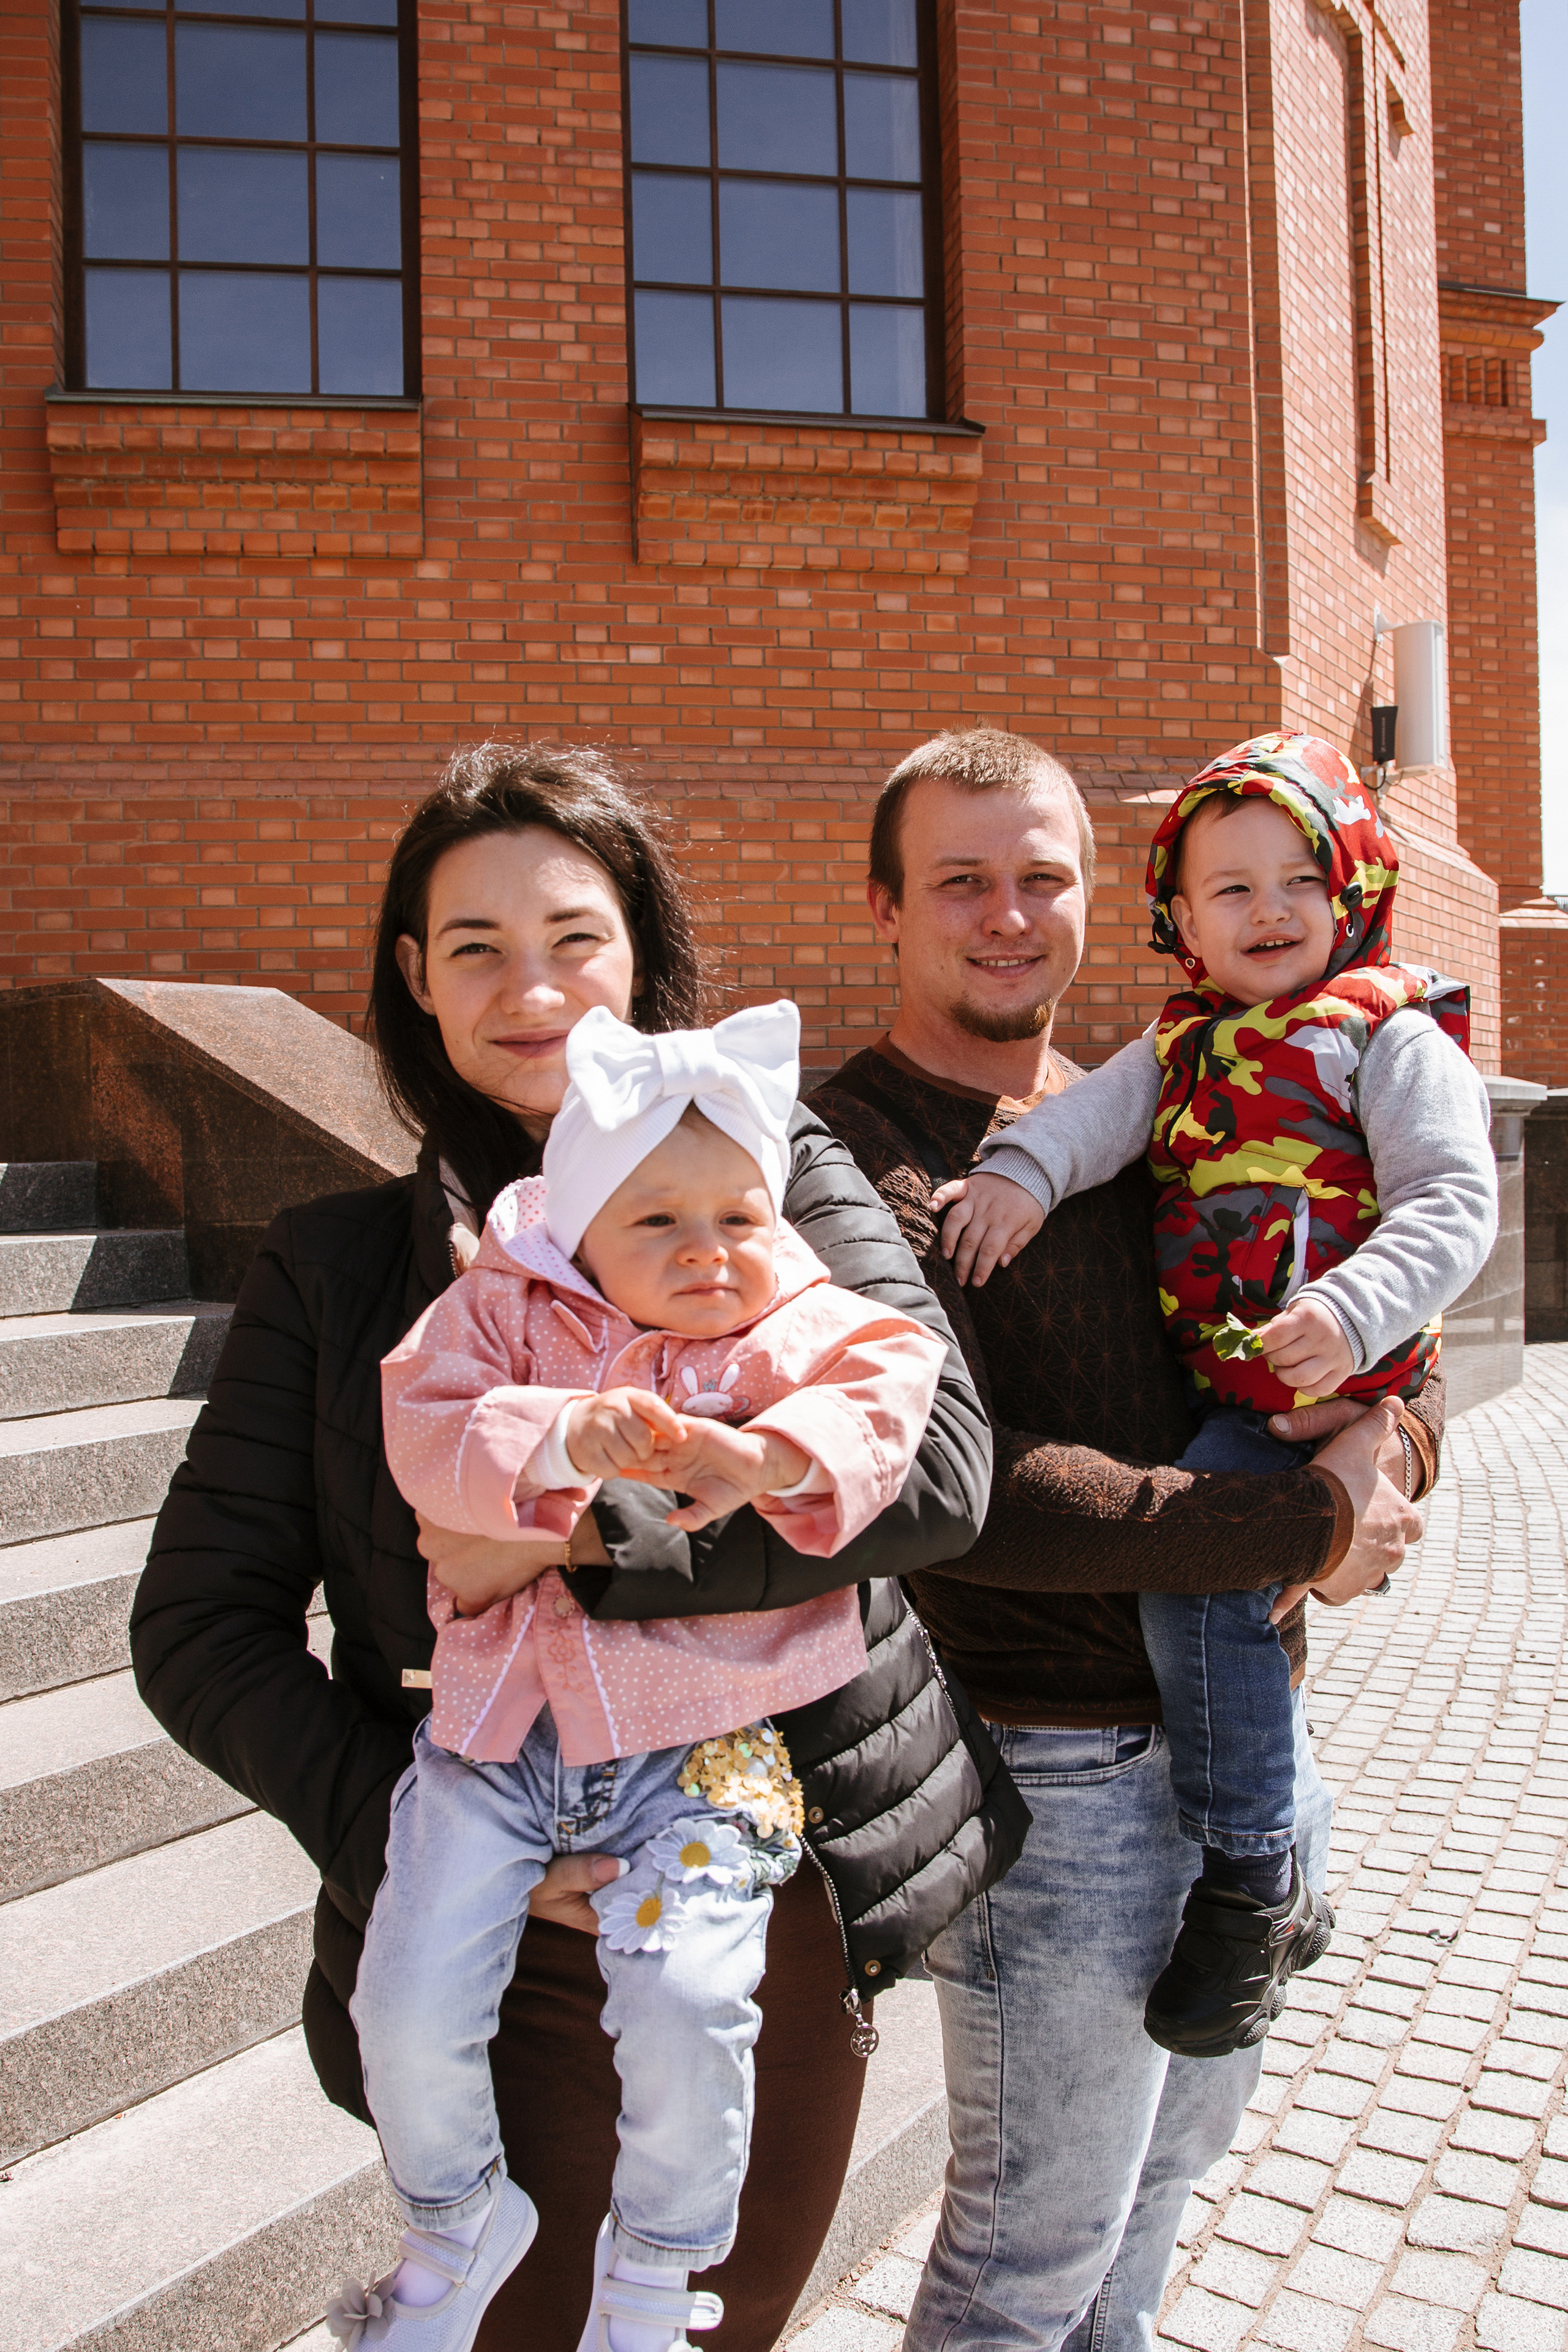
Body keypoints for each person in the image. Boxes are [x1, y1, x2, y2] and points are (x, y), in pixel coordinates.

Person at [130, 742, 1016, 2352]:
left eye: (574, 938)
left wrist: (582, 1546)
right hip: (505, 1921)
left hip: (765, 1877)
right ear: (415, 979)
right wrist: (423, 1835)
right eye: (476, 947)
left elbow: (943, 1468)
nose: (533, 989)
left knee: (707, 2318)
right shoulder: (337, 1271)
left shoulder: (772, 1174)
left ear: (642, 954)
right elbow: (201, 1627)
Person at [809, 728, 1436, 2352]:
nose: (1008, 914)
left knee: (1169, 2185)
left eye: (1043, 878)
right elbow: (960, 1492)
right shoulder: (843, 1162)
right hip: (1054, 1783)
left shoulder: (1157, 1092)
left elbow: (1372, 1284)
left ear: (1104, 900)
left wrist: (1391, 1435)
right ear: (884, 905)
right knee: (1035, 2246)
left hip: (1243, 1727)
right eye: (962, 880)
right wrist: (1301, 1522)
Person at [333, 998, 949, 2350]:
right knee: (407, 1993)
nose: (709, 1252)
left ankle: (661, 2270)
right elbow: (421, 1420)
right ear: (580, 1226)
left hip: (701, 1751)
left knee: (688, 2005)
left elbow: (896, 1383)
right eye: (657, 1222)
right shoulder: (500, 1306)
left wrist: (769, 1457)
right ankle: (452, 2223)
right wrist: (559, 1438)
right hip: (493, 1747)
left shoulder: (787, 1317)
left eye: (736, 1215)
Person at [927, 732, 1496, 2058]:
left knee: (1196, 1585)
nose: (1268, 910)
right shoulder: (1176, 1042)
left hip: (1333, 1375)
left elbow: (1454, 1204)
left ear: (1351, 892)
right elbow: (1084, 1124)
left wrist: (1356, 1324)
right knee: (1213, 1587)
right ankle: (1274, 1853)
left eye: (1298, 879)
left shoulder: (1384, 1036)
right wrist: (1015, 1175)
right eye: (1228, 890)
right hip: (1235, 1402)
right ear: (1177, 920)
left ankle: (1251, 1875)